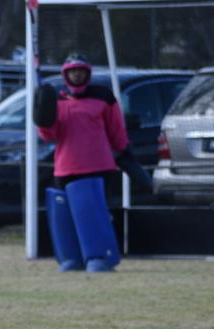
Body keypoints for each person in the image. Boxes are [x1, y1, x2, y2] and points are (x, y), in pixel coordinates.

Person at [35, 53, 145, 273]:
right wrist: (43, 119)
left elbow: (116, 130)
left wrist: (125, 152)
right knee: (66, 213)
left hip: (97, 167)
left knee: (92, 211)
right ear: (65, 74)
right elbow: (50, 135)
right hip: (65, 167)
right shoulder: (57, 99)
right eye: (72, 71)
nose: (77, 75)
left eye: (81, 71)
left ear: (88, 73)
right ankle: (71, 258)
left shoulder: (103, 97)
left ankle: (100, 257)